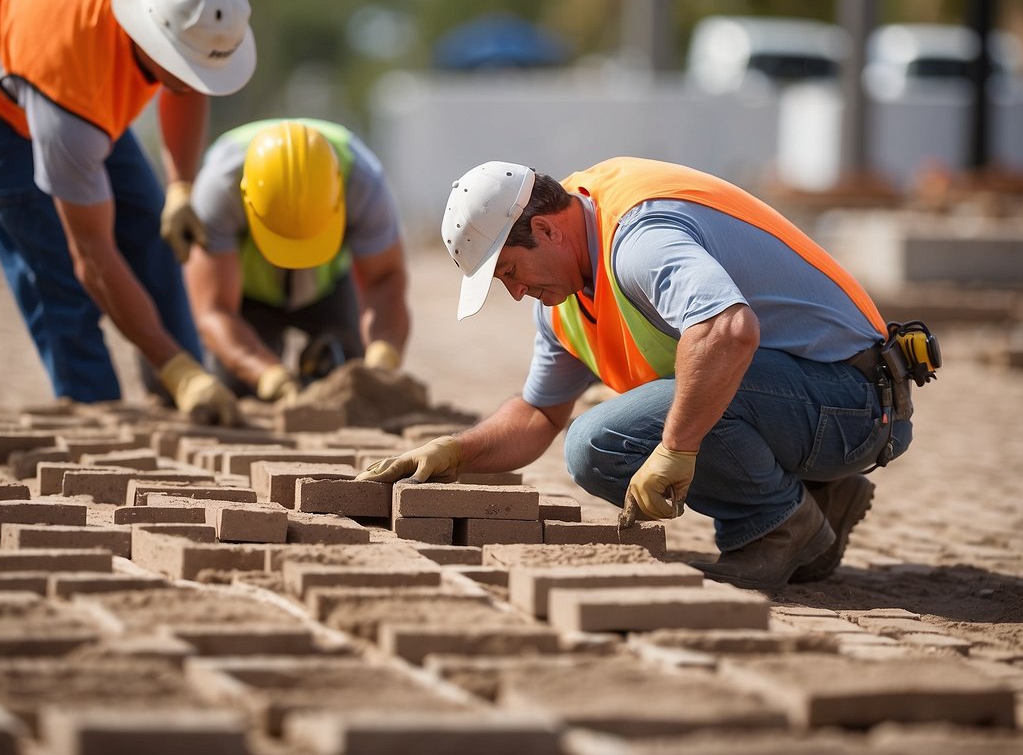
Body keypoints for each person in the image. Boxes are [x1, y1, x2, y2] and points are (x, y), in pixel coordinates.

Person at [359, 158, 917, 590]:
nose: (516, 291)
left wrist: (676, 448)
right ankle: (819, 499)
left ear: (549, 230)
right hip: (808, 402)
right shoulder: (562, 301)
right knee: (598, 438)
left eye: (510, 270)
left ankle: (780, 527)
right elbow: (537, 413)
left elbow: (729, 332)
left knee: (603, 438)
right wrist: (456, 452)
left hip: (859, 402)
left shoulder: (638, 240)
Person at [0, 0, 257, 425]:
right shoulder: (72, 101)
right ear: (155, 45)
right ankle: (96, 407)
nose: (192, 82)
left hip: (61, 44)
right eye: (183, 70)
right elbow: (90, 255)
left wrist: (179, 188)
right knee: (51, 261)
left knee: (150, 228)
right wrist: (177, 368)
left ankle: (185, 391)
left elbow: (193, 81)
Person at [183, 118, 410, 401]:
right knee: (235, 383)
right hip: (247, 295)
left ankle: (327, 350)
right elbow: (214, 309)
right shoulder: (219, 188)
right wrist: (267, 373)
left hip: (326, 288)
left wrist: (382, 354)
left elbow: (384, 277)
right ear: (247, 197)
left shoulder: (363, 182)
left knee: (347, 372)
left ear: (337, 193)